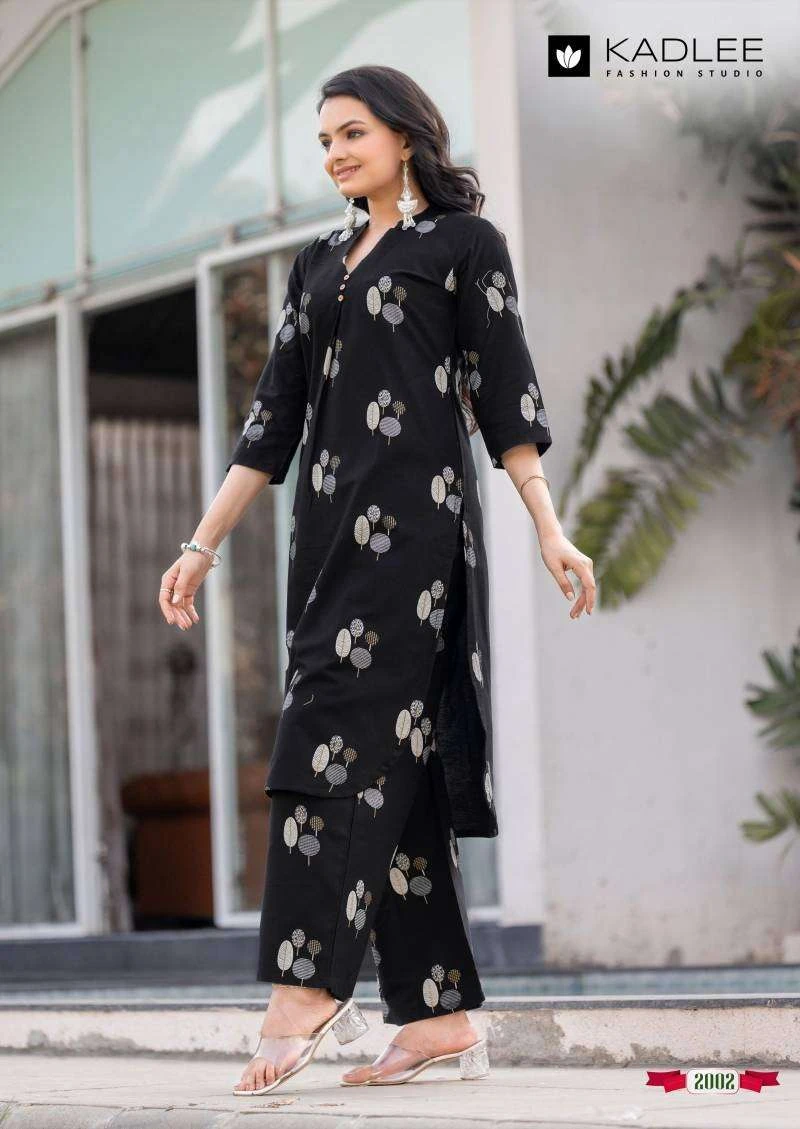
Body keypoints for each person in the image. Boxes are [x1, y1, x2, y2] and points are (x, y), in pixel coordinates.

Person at [158, 64, 595, 1095]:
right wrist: (201, 544)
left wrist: (548, 525)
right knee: (392, 762)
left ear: (405, 134)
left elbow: (506, 394)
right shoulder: (317, 263)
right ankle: (437, 1012)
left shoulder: (462, 245)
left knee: (324, 733)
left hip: (416, 541)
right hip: (325, 544)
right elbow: (270, 421)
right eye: (324, 141)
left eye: (351, 132)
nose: (335, 154)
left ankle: (305, 987)